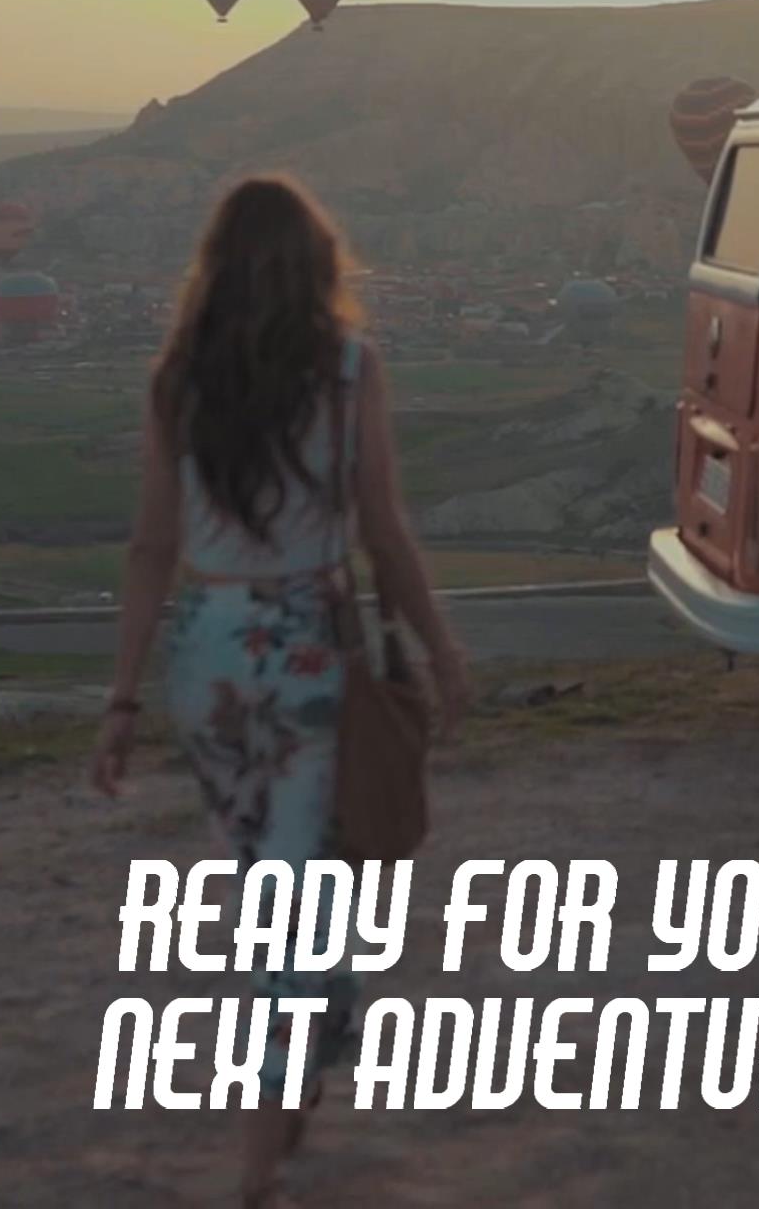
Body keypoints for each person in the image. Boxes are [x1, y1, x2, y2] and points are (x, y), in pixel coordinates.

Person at [90, 175, 469, 1205]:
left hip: (208, 653)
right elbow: (384, 533)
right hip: (306, 648)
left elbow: (150, 547)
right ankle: (261, 1161)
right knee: (294, 910)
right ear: (319, 267)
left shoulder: (178, 381)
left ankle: (308, 1050)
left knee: (282, 882)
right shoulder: (350, 372)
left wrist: (124, 699)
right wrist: (438, 646)